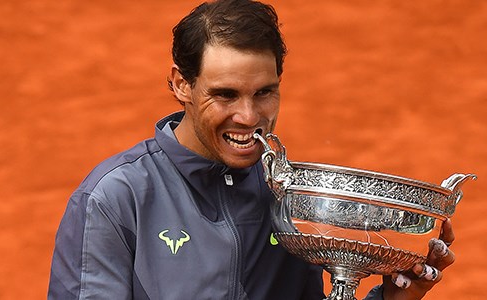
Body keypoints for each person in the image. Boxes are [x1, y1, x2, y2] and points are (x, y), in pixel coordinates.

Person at [48, 0, 456, 299]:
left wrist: (394, 296)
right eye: (225, 95)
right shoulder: (113, 200)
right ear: (181, 84)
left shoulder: (293, 196)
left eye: (265, 93)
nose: (248, 116)